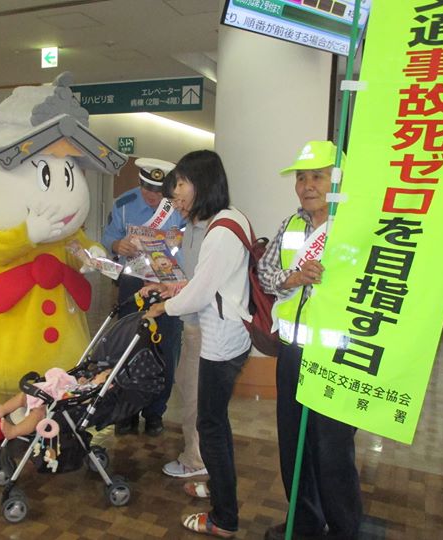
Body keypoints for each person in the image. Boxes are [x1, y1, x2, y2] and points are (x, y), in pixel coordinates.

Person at [143, 150, 251, 538]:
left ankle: (224, 517)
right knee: (215, 422)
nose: (176, 196)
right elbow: (209, 282)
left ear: (203, 182)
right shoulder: (231, 218)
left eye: (181, 185)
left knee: (211, 425)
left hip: (220, 341)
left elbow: (202, 294)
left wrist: (164, 306)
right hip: (230, 334)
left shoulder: (219, 233)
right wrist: (175, 288)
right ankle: (219, 488)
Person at [258, 140, 362, 540]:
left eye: (317, 176)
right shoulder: (291, 225)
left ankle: (344, 529)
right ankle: (303, 521)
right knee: (294, 442)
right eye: (301, 178)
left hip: (337, 355)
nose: (307, 185)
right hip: (293, 353)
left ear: (338, 180)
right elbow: (266, 274)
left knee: (333, 448)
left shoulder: (356, 227)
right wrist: (292, 277)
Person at [101, 157, 185, 436]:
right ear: (140, 183)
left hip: (168, 285)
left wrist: (177, 240)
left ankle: (155, 413)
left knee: (166, 349)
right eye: (148, 189)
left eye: (158, 192)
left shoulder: (179, 207)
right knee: (128, 345)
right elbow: (108, 237)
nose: (152, 196)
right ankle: (126, 412)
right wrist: (117, 244)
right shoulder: (124, 204)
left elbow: (191, 241)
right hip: (133, 283)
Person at [160, 175, 208, 479]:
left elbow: (201, 287)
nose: (177, 206)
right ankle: (198, 454)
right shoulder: (191, 228)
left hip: (205, 327)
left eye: (180, 199)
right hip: (192, 323)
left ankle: (196, 460)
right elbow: (190, 278)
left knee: (194, 396)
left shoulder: (212, 231)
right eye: (173, 200)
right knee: (186, 383)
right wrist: (165, 286)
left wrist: (165, 305)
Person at [0, 367, 111, 439]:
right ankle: (2, 409)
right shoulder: (89, 385)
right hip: (53, 396)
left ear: (108, 385)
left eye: (102, 374)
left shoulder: (95, 393)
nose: (97, 374)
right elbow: (71, 386)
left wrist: (87, 389)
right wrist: (80, 383)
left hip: (59, 409)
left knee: (38, 413)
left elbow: (83, 399)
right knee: (25, 394)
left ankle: (14, 431)